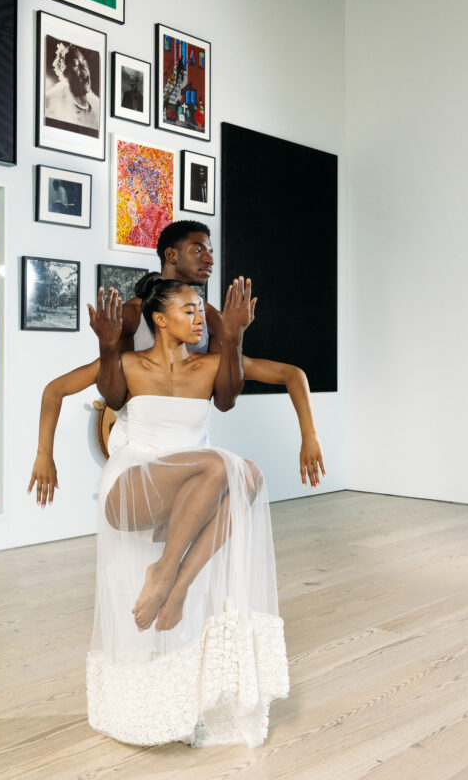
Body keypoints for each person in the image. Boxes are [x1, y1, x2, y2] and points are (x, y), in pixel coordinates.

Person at [84, 278, 289, 747]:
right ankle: (166, 571)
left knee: (248, 474)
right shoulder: (130, 364)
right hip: (133, 483)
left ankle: (177, 586)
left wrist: (234, 338)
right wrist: (108, 345)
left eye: (202, 311)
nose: (202, 319)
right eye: (190, 311)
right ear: (159, 319)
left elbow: (231, 396)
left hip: (192, 482)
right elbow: (108, 398)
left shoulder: (212, 364)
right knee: (221, 463)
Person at [27, 220, 325, 507]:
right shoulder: (133, 314)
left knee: (235, 485)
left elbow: (226, 399)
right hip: (139, 444)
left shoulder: (212, 320)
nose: (209, 259)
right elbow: (113, 393)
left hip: (190, 440)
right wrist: (44, 452)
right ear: (171, 255)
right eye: (198, 250)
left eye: (210, 251)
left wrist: (309, 435)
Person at [44, 42, 100, 135]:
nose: (83, 69)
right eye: (76, 64)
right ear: (65, 73)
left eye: (85, 64)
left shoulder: (98, 108)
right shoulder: (52, 108)